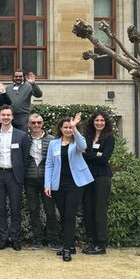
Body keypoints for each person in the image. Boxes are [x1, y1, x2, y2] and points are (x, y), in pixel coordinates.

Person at [44, 113, 94, 262]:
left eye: (70, 127)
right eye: (65, 127)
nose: (68, 130)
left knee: (70, 215)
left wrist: (75, 128)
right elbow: (49, 164)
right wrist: (47, 184)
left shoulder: (77, 141)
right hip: (58, 184)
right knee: (64, 215)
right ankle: (70, 244)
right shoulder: (54, 143)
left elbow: (83, 147)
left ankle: (66, 249)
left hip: (75, 184)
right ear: (60, 128)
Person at [0, 105, 28, 251]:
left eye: (8, 115)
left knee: (15, 208)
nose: (6, 117)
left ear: (12, 117)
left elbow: (25, 158)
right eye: (3, 115)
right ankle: (3, 238)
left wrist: (21, 174)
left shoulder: (21, 135)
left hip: (14, 175)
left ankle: (15, 238)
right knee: (0, 208)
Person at [24, 114, 60, 250]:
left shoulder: (52, 140)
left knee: (50, 211)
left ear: (42, 124)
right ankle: (37, 238)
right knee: (33, 210)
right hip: (30, 179)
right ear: (29, 124)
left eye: (39, 122)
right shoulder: (25, 139)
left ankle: (53, 239)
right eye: (33, 123)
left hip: (47, 181)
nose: (36, 125)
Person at [82, 111, 115, 255]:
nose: (99, 123)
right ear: (93, 122)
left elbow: (104, 158)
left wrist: (92, 156)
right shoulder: (88, 138)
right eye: (97, 120)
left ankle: (100, 244)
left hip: (102, 177)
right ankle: (93, 241)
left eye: (102, 120)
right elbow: (82, 156)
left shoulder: (109, 138)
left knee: (100, 210)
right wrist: (96, 155)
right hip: (87, 177)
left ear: (105, 122)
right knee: (88, 209)